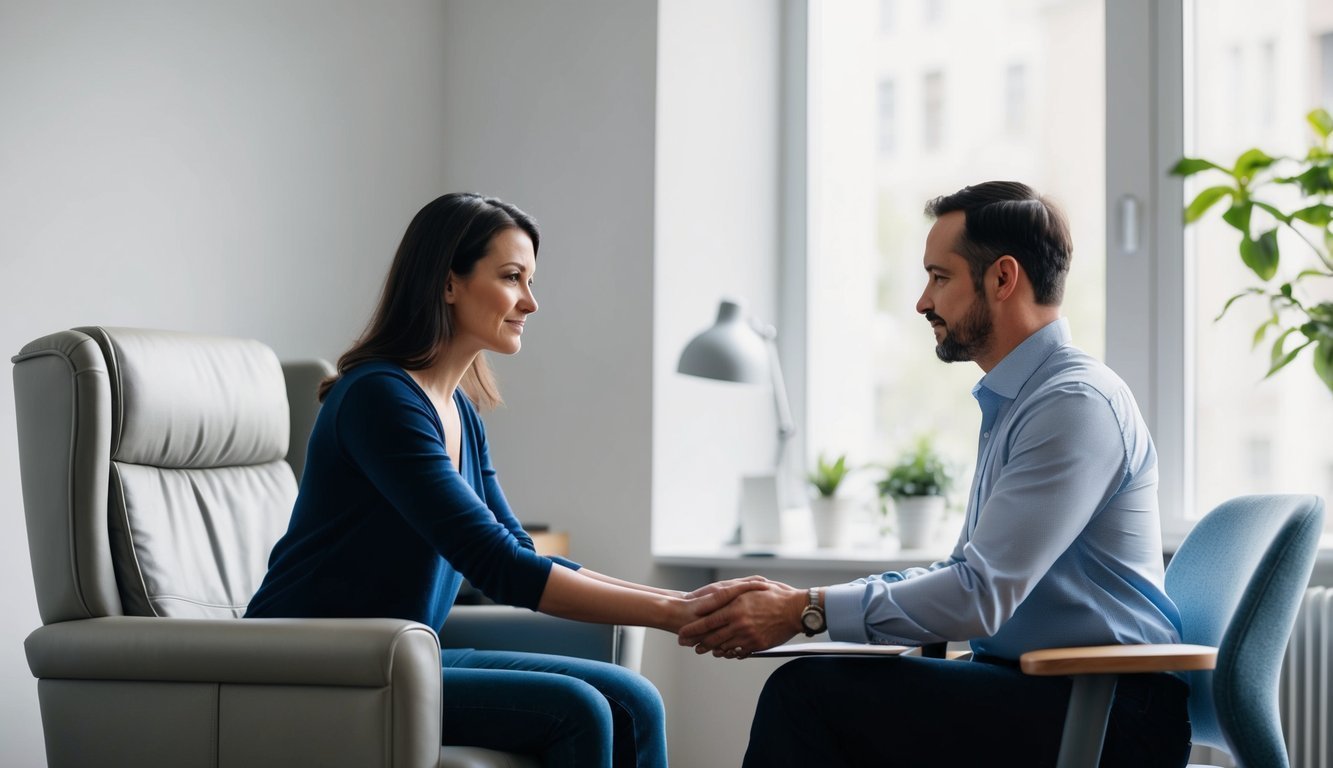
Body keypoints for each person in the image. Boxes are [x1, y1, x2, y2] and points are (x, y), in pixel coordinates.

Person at [678, 181, 1191, 767]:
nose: (923, 302)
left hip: (1112, 715)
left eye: (939, 278)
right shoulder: (1023, 399)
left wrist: (805, 610)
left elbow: (979, 596)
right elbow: (963, 574)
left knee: (809, 697)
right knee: (830, 693)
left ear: (1002, 279)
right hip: (1048, 692)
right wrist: (803, 603)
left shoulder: (1072, 403)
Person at [246, 192, 756, 768]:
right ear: (447, 284)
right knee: (578, 709)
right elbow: (497, 566)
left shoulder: (460, 410)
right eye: (512, 277)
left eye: (530, 280)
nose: (531, 303)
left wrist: (683, 601)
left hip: (400, 658)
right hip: (316, 665)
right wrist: (673, 615)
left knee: (634, 700)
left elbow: (516, 549)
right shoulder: (378, 398)